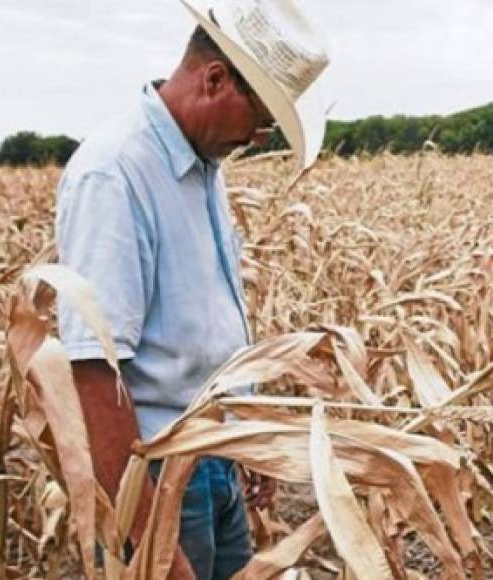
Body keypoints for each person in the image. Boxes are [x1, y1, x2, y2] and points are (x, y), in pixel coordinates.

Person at [55, 0, 329, 577]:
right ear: (214, 79)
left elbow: (209, 322)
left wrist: (247, 430)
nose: (259, 137)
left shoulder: (205, 167)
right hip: (161, 474)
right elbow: (96, 374)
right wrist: (150, 541)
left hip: (219, 461)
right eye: (262, 119)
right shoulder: (116, 173)